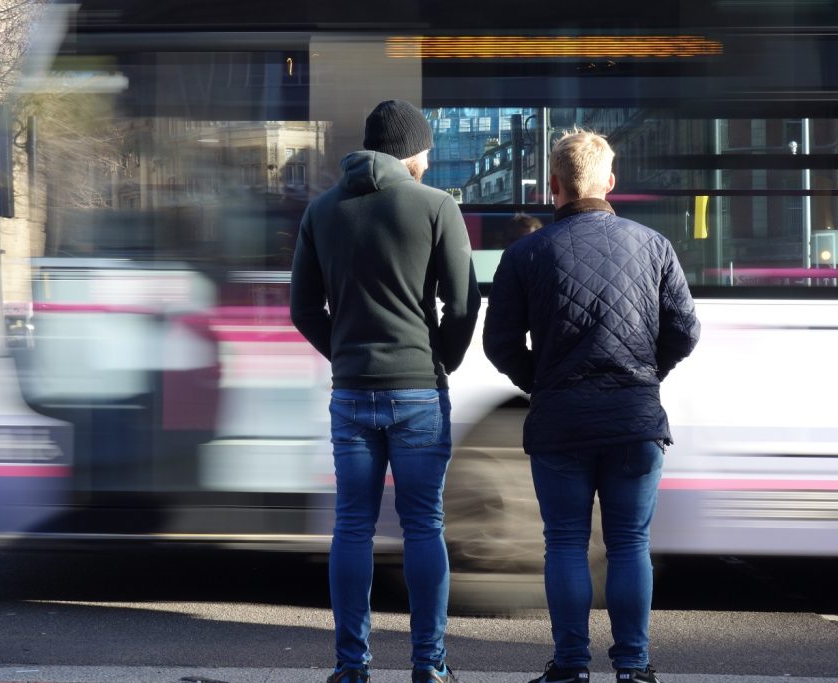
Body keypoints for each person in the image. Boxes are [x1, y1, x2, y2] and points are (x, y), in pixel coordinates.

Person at [481, 129, 700, 683]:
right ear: (610, 181)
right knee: (629, 544)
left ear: (552, 186)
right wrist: (646, 375)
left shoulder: (525, 253)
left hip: (560, 422)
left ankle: (571, 666)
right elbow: (685, 330)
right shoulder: (653, 246)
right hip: (634, 418)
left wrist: (544, 381)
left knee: (565, 544)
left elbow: (499, 344)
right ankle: (633, 666)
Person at [290, 99, 481, 683]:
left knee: (352, 527)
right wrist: (439, 359)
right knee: (424, 526)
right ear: (413, 152)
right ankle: (429, 665)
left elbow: (302, 309)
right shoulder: (436, 207)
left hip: (351, 396)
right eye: (427, 149)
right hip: (420, 393)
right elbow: (463, 302)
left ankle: (352, 667)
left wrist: (345, 354)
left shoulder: (322, 211)